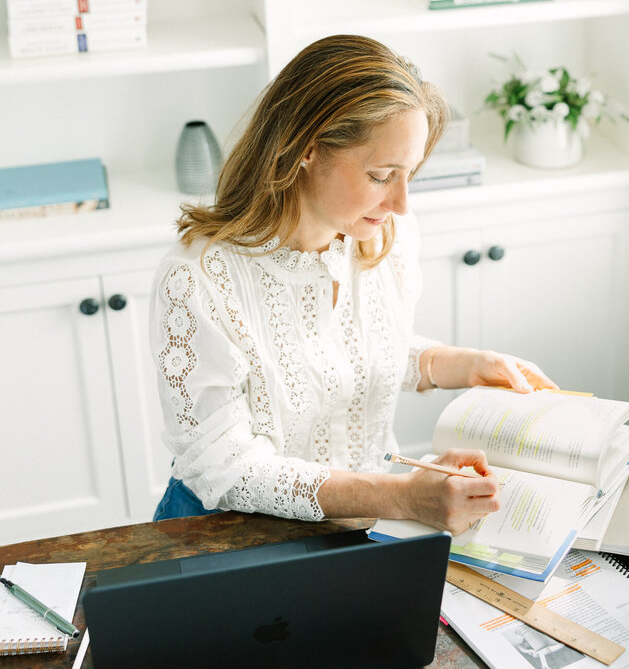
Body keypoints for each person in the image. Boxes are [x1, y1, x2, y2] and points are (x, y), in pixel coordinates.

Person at [150, 34, 556, 534]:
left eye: (409, 174)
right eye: (382, 174)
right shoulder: (198, 278)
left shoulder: (381, 234)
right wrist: (403, 498)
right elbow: (226, 468)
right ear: (306, 149)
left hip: (357, 527)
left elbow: (340, 355)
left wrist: (456, 364)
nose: (401, 203)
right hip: (228, 541)